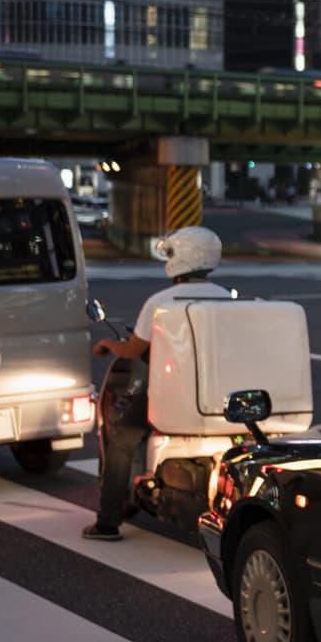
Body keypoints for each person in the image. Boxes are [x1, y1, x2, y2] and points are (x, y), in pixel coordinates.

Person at [86, 226, 231, 541]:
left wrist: (108, 347)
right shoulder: (226, 297)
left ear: (179, 259)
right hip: (221, 398)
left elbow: (133, 350)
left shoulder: (161, 302)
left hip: (175, 399)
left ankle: (108, 522)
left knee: (122, 438)